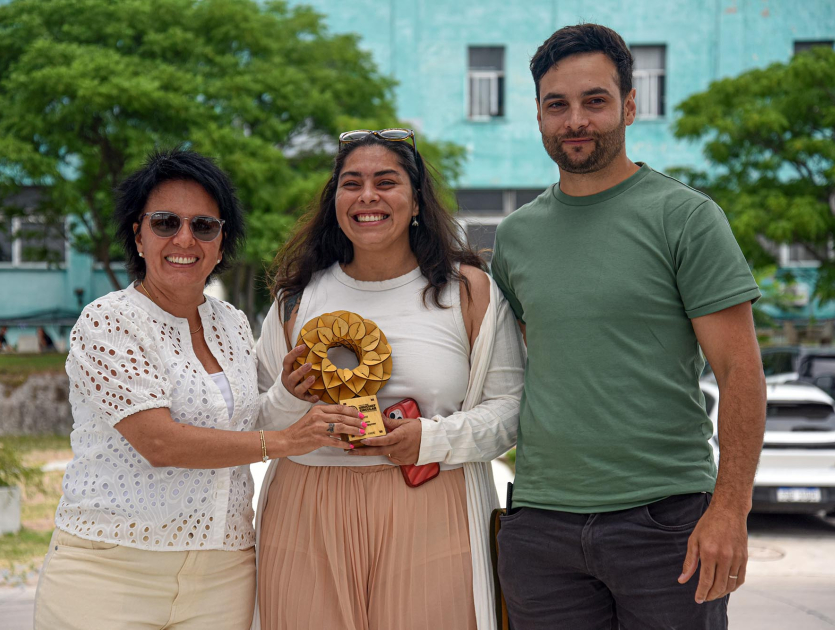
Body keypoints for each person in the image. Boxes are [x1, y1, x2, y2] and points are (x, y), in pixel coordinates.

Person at [492, 24, 767, 629]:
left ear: (631, 106)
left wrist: (730, 509)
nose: (575, 120)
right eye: (556, 105)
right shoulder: (515, 236)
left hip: (665, 524)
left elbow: (741, 370)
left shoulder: (686, 217)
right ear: (538, 114)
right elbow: (521, 366)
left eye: (595, 100)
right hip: (541, 525)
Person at [33, 148, 366, 630]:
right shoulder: (108, 320)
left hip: (223, 574)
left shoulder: (231, 322)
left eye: (204, 226)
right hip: (109, 571)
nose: (185, 239)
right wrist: (287, 441)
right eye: (165, 222)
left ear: (220, 242)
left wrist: (290, 394)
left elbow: (240, 426)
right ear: (139, 235)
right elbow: (160, 442)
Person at [251, 129, 525, 630]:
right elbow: (255, 420)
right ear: (335, 201)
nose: (367, 196)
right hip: (306, 511)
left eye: (386, 182)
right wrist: (290, 398)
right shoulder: (296, 300)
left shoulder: (467, 292)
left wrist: (430, 440)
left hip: (431, 508)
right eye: (351, 183)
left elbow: (511, 410)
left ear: (416, 200)